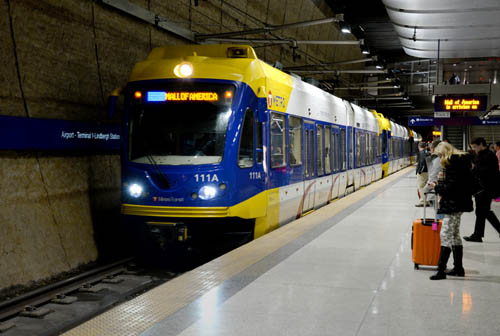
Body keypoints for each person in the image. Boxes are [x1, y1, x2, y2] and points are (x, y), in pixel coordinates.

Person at [428, 142, 474, 280]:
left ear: (445, 153)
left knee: (445, 234)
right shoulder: (460, 163)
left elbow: (451, 188)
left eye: (440, 155)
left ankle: (441, 270)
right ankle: (458, 268)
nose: (440, 158)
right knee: (454, 235)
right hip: (458, 203)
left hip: (454, 204)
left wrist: (436, 187)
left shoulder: (454, 165)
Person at [463, 137, 500, 242]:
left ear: (481, 144)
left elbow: (486, 172)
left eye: (475, 147)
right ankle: (478, 235)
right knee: (484, 211)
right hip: (482, 188)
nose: (474, 149)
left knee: (482, 211)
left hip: (486, 188)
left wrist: (474, 168)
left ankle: (477, 235)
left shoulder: (489, 155)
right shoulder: (482, 155)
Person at [423, 140, 442, 207]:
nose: (430, 151)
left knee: (438, 212)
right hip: (440, 189)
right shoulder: (442, 158)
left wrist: (426, 189)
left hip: (438, 191)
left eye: (431, 148)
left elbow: (433, 175)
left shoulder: (437, 160)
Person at [415, 142, 430, 207]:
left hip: (423, 172)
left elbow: (422, 162)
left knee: (421, 187)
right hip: (427, 171)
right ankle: (427, 201)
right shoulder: (426, 152)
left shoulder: (422, 153)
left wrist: (420, 170)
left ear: (419, 147)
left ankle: (423, 201)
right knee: (426, 186)